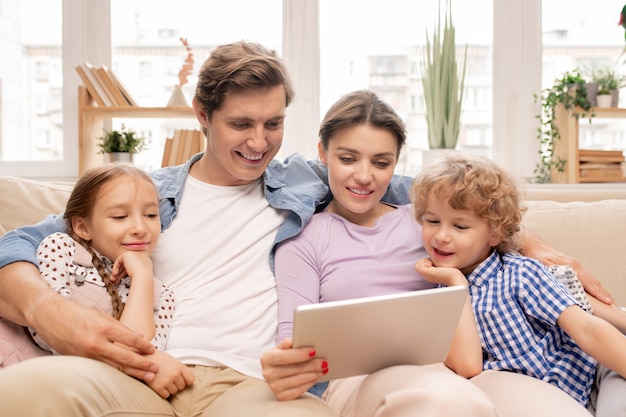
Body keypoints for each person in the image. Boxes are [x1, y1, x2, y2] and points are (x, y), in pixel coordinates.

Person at [0, 40, 612, 416]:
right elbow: (23, 242)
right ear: (202, 115)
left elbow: (444, 202)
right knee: (27, 394)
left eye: (273, 124)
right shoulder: (147, 194)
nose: (259, 142)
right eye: (242, 123)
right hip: (146, 372)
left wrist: (523, 239)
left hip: (252, 385)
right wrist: (46, 309)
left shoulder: (305, 182)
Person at [271, 89, 496, 417]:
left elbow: (490, 234)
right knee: (443, 401)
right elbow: (292, 338)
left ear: (396, 162)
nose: (364, 176)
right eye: (347, 159)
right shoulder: (303, 239)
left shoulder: (425, 221)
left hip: (443, 370)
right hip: (354, 383)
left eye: (381, 162)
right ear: (322, 152)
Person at [411, 151, 626, 416]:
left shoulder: (520, 274)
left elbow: (586, 329)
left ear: (493, 233)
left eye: (460, 226)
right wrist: (456, 283)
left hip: (589, 379)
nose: (441, 236)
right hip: (529, 401)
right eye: (432, 221)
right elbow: (467, 367)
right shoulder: (440, 295)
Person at [0, 163, 176, 367]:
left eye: (151, 215)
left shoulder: (162, 296)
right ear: (83, 227)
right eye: (120, 217)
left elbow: (135, 360)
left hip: (62, 384)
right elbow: (49, 334)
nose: (140, 228)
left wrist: (143, 276)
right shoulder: (62, 247)